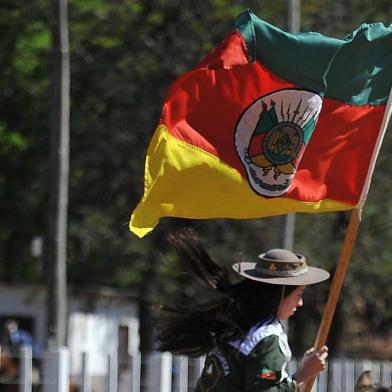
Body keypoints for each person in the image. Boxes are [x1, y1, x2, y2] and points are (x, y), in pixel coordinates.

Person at [156, 229, 330, 391]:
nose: (300, 303)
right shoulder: (266, 339)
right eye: (299, 294)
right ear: (281, 293)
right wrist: (304, 375)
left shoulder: (234, 328)